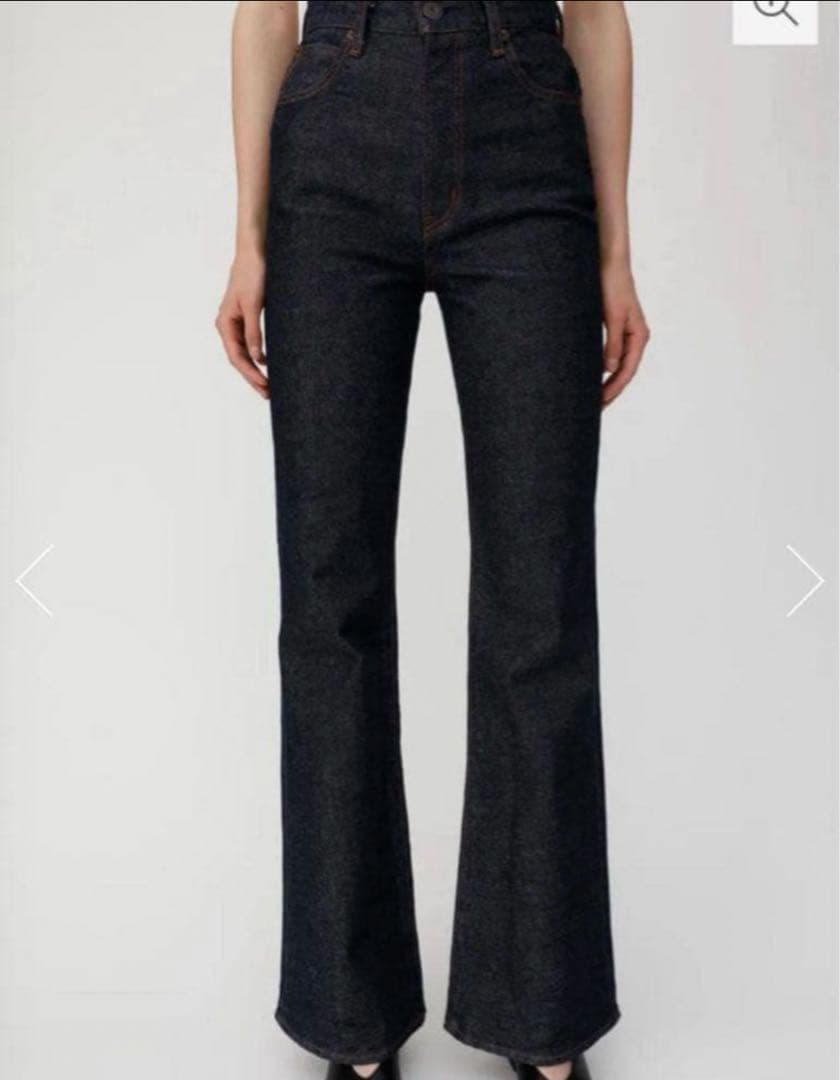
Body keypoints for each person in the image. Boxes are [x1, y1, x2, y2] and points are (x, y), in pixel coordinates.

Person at [216, 2, 649, 1077]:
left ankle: (540, 1010)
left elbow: (597, 15)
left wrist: (615, 251)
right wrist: (248, 236)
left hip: (524, 138)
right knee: (330, 602)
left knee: (541, 598)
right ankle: (350, 1013)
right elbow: (266, 11)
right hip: (334, 132)